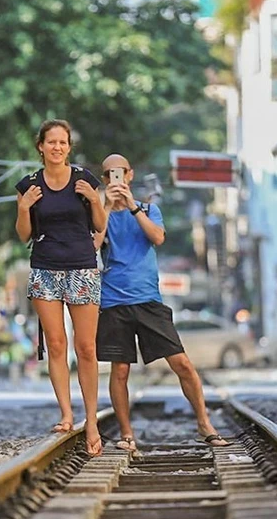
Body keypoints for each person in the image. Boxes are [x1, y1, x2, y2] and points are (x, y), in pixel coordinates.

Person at [94, 153, 229, 450]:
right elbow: (93, 244)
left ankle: (204, 423)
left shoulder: (149, 209)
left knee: (181, 363)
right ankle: (127, 434)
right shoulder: (100, 214)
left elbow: (157, 238)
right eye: (108, 174)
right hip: (114, 300)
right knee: (120, 370)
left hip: (148, 300)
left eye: (119, 172)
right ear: (105, 180)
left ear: (129, 175)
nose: (114, 178)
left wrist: (131, 206)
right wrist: (105, 205)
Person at [15, 119, 107, 457]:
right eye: (51, 142)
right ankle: (67, 415)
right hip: (45, 269)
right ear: (40, 146)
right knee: (56, 344)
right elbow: (23, 234)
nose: (57, 147)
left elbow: (99, 225)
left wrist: (95, 201)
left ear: (69, 147)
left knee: (86, 348)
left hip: (82, 267)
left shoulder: (85, 179)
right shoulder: (28, 185)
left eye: (63, 142)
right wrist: (24, 208)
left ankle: (92, 420)